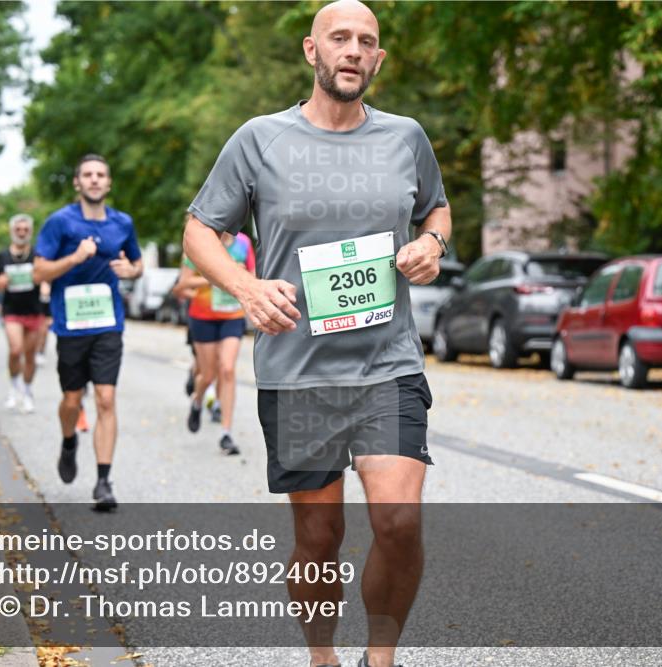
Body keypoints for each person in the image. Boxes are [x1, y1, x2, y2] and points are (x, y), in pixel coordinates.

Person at [182, 2, 451, 665]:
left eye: (366, 41)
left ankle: (379, 655)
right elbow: (199, 231)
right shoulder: (260, 139)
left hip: (387, 365)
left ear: (378, 58)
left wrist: (432, 243)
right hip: (298, 373)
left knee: (399, 520)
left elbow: (437, 209)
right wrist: (246, 287)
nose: (353, 50)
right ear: (312, 50)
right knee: (319, 537)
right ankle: (322, 653)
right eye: (340, 38)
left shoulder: (406, 137)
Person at [33, 154, 143, 510]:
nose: (94, 179)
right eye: (88, 174)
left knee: (106, 399)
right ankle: (69, 442)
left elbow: (137, 263)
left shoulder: (122, 222)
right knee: (71, 400)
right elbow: (39, 272)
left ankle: (103, 481)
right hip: (70, 326)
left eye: (100, 175)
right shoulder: (59, 222)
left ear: (108, 183)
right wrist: (74, 258)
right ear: (77, 182)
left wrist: (132, 271)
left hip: (108, 324)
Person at [177, 233, 255, 455]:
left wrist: (242, 276)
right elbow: (184, 283)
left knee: (227, 369)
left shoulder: (243, 243)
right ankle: (197, 400)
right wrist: (219, 277)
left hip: (232, 315)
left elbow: (253, 276)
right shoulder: (199, 240)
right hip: (203, 316)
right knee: (208, 375)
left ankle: (226, 433)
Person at [0, 214, 46, 413]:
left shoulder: (37, 254)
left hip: (33, 310)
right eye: (18, 229)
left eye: (25, 230)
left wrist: (42, 281)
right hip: (11, 310)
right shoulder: (3, 256)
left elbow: (46, 275)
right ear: (12, 231)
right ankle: (14, 387)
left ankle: (27, 391)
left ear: (30, 232)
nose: (22, 233)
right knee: (15, 350)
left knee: (30, 356)